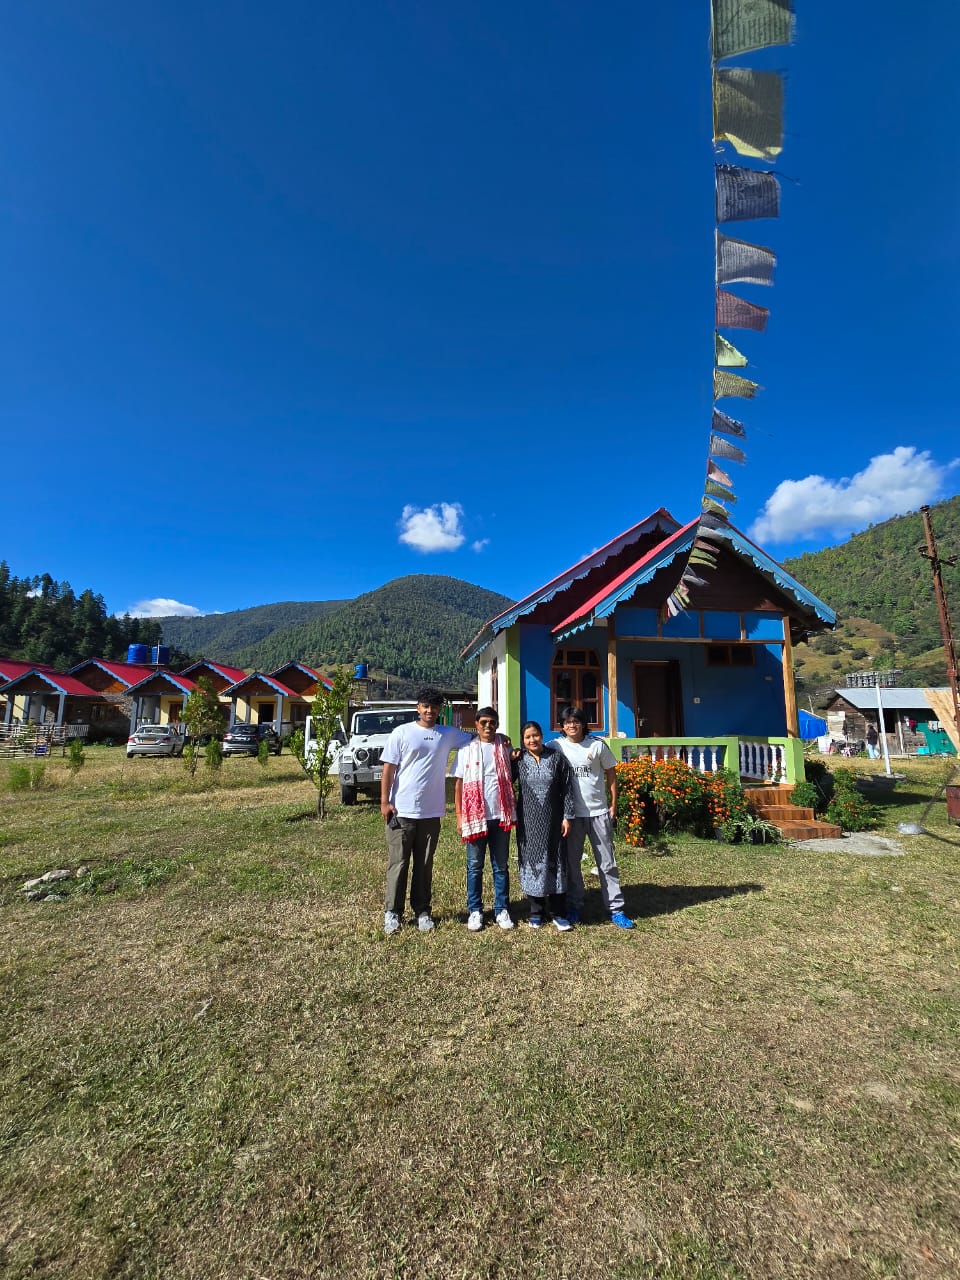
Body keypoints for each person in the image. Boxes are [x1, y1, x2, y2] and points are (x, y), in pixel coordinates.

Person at [380, 688, 473, 935]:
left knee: (424, 864)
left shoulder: (447, 734)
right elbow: (388, 768)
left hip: (431, 812)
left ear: (440, 710)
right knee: (398, 863)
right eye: (425, 706)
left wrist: (502, 740)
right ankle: (393, 913)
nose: (430, 711)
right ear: (418, 708)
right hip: (402, 809)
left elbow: (476, 741)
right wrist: (384, 802)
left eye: (434, 707)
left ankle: (422, 911)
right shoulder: (402, 733)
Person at [550, 706, 634, 929]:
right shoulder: (556, 746)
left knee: (607, 862)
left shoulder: (597, 745)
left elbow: (611, 773)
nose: (572, 725)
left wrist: (613, 804)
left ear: (583, 723)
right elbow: (534, 751)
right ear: (562, 725)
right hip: (572, 816)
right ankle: (575, 905)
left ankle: (616, 909)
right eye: (567, 722)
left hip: (598, 813)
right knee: (572, 863)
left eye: (576, 721)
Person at [454, 707, 516, 932]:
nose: (488, 726)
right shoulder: (466, 750)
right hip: (474, 817)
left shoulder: (504, 748)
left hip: (501, 815)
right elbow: (459, 784)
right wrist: (460, 816)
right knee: (474, 866)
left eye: (492, 722)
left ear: (497, 724)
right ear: (477, 724)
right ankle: (475, 910)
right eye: (484, 723)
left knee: (501, 866)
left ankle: (501, 909)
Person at [512, 721, 576, 931]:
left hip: (554, 820)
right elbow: (504, 781)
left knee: (556, 860)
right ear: (523, 740)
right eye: (528, 737)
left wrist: (567, 816)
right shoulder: (519, 760)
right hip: (528, 822)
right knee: (532, 861)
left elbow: (567, 788)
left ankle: (558, 912)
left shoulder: (556, 758)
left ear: (541, 735)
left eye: (535, 735)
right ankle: (535, 911)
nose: (532, 740)